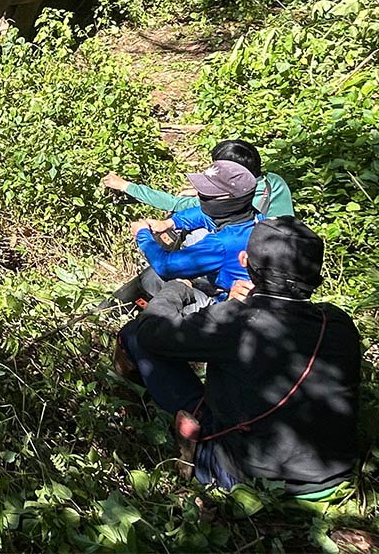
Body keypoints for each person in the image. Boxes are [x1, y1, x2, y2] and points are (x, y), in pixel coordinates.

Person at [114, 217, 361, 496]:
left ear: (244, 261)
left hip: (249, 479)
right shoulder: (338, 322)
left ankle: (140, 411)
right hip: (335, 476)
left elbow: (152, 333)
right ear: (315, 275)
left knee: (136, 334)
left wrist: (177, 288)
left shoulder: (236, 321)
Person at [129, 159, 262, 303]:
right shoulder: (255, 218)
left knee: (152, 279)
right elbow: (204, 214)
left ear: (229, 200)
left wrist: (142, 234)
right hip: (235, 283)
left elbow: (165, 266)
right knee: (194, 235)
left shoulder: (221, 244)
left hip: (226, 303)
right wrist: (170, 223)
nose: (199, 195)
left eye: (207, 195)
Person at [104, 139, 293, 218]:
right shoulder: (274, 181)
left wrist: (125, 185)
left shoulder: (230, 202)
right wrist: (197, 190)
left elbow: (174, 203)